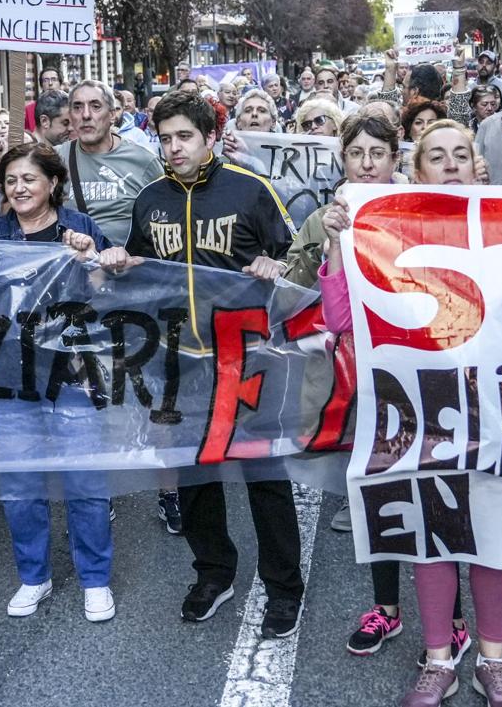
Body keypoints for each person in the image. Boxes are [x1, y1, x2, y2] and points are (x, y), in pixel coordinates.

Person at [319, 121, 502, 706]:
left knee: (493, 534)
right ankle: (440, 659)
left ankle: (494, 660)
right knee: (431, 535)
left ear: (476, 163)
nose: (452, 164)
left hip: (495, 407)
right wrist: (340, 243)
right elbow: (339, 320)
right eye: (437, 156)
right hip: (421, 408)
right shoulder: (389, 229)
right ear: (420, 171)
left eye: (462, 154)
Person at [113, 89, 305, 640]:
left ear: (211, 139)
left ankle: (283, 587)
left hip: (250, 359)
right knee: (195, 475)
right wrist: (117, 264)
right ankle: (213, 573)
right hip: (179, 364)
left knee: (264, 477)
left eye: (185, 137)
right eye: (166, 138)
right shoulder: (150, 199)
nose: (174, 148)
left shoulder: (252, 190)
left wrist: (277, 262)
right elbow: (138, 270)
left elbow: (298, 264)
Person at [283, 112, 470, 659]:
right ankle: (386, 610)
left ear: (396, 159)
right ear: (343, 160)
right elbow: (337, 319)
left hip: (435, 380)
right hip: (373, 387)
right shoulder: (332, 217)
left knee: (439, 501)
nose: (367, 164)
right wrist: (337, 245)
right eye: (356, 154)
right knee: (383, 500)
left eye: (377, 154)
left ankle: (454, 620)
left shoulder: (423, 211)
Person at [0, 143, 117, 622]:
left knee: (85, 484)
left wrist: (91, 258)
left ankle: (95, 580)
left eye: (29, 179)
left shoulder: (79, 228)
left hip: (73, 376)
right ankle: (33, 576)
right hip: (8, 377)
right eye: (11, 181)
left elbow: (106, 295)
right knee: (20, 486)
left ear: (52, 183)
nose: (19, 188)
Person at [52, 80, 163, 248]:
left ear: (112, 115)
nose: (86, 115)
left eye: (96, 106)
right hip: (75, 267)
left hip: (128, 268)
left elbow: (166, 219)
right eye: (77, 107)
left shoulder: (144, 161)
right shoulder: (55, 159)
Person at [24, 68, 62, 133]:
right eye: (46, 80)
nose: (50, 83)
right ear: (41, 85)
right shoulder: (30, 109)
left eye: (54, 79)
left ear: (60, 84)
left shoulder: (69, 107)